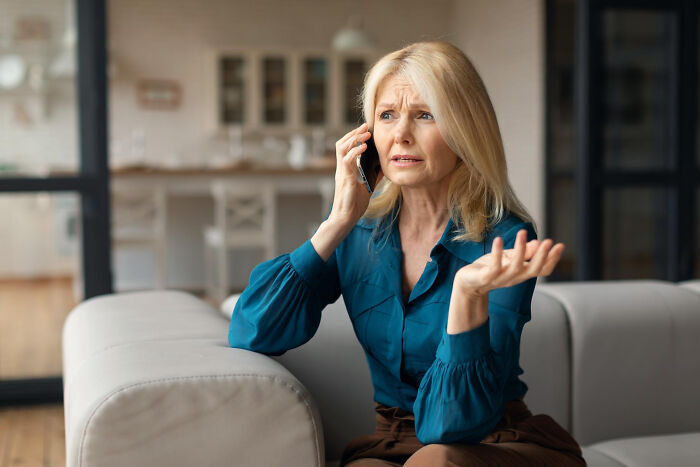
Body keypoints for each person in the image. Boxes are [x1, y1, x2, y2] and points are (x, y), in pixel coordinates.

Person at [228, 41, 586, 466]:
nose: (400, 134)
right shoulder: (358, 232)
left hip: (490, 441)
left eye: (424, 115)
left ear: (465, 129)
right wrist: (336, 222)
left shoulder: (504, 238)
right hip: (393, 440)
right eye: (387, 115)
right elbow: (252, 331)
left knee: (435, 462)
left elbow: (451, 428)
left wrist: (467, 297)